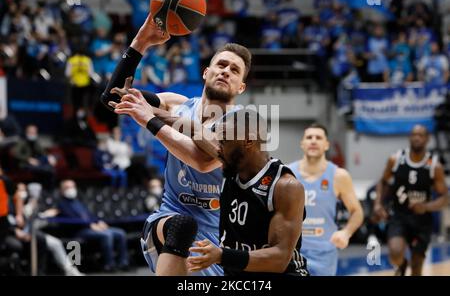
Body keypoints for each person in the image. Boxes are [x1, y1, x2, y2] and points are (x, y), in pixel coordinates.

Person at [101, 14, 249, 276]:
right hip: (168, 222)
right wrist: (141, 41)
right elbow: (113, 95)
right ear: (206, 72)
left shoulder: (240, 126)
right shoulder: (175, 103)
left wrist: (149, 119)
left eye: (234, 70)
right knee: (182, 224)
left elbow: (203, 162)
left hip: (215, 238)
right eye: (221, 65)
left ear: (241, 87)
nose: (226, 71)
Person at [185, 109, 309, 276]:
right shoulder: (231, 165)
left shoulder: (284, 186)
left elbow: (279, 259)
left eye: (223, 141)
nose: (217, 148)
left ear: (248, 140)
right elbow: (194, 130)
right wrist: (149, 114)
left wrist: (222, 255)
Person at [287, 123, 364, 276]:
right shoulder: (288, 172)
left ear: (326, 145)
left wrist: (346, 233)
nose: (313, 141)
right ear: (302, 144)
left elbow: (357, 212)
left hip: (324, 252)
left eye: (318, 138)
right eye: (309, 137)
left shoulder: (339, 176)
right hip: (293, 249)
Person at [373, 124, 448, 276]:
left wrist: (426, 206)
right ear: (409, 137)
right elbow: (383, 182)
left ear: (427, 139)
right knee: (395, 251)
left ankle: (411, 265)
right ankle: (401, 265)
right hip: (399, 215)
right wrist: (378, 204)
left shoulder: (434, 166)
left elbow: (446, 197)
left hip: (422, 220)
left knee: (417, 265)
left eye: (420, 135)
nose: (416, 137)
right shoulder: (396, 159)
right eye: (414, 134)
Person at [56, 179, 129, 272]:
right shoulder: (62, 204)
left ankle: (123, 263)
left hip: (92, 228)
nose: (71, 189)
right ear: (61, 190)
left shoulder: (78, 202)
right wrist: (90, 225)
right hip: (78, 231)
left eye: (72, 187)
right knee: (107, 235)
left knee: (120, 233)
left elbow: (89, 215)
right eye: (67, 187)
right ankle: (109, 264)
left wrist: (99, 222)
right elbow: (72, 218)